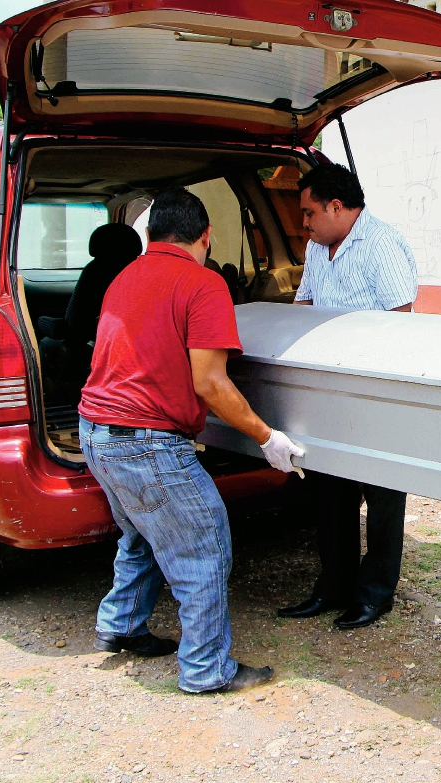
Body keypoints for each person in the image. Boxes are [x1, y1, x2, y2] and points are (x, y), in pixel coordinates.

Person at [79, 187, 304, 694]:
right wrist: (267, 436)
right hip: (148, 443)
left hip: (95, 432)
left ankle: (122, 626)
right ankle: (205, 669)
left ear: (151, 232)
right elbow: (211, 381)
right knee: (203, 546)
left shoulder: (123, 277)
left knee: (143, 534)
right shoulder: (202, 285)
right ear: (206, 236)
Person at [277, 163, 418, 630]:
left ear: (337, 206)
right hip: (327, 388)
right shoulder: (320, 247)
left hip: (374, 388)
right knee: (329, 489)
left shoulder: (382, 243)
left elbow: (401, 319)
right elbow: (303, 304)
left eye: (309, 212)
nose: (304, 223)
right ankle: (334, 585)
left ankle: (375, 593)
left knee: (381, 493)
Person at [37, 223, 143, 402]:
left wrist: (44, 322)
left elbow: (73, 328)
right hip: (137, 349)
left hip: (91, 347)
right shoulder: (142, 271)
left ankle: (58, 397)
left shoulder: (94, 273)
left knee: (49, 342)